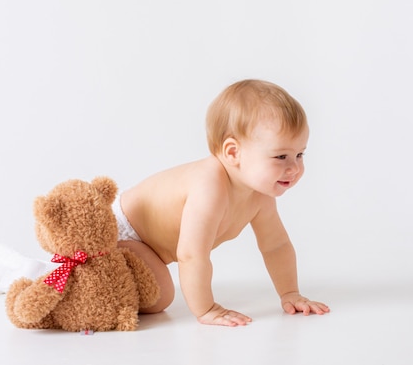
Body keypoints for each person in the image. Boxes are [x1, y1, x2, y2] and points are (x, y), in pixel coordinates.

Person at [115, 79, 330, 326]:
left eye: (299, 154)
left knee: (156, 293)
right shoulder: (209, 187)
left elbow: (276, 245)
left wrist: (290, 293)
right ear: (233, 152)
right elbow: (191, 255)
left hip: (147, 245)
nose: (294, 168)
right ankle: (85, 273)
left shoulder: (260, 195)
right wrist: (206, 309)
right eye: (281, 156)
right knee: (160, 297)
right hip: (121, 230)